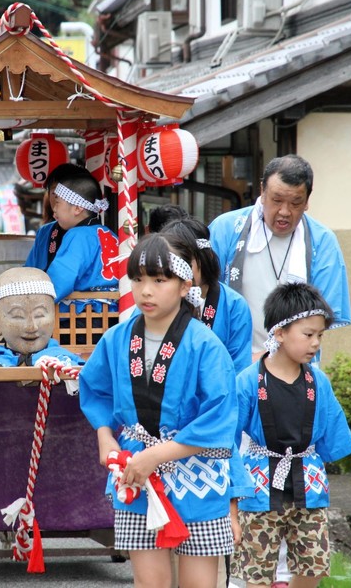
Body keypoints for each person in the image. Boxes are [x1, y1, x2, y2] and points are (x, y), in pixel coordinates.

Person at [79, 233, 238, 588]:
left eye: (159, 280)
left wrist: (157, 455)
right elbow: (96, 390)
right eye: (137, 279)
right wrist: (105, 437)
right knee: (150, 583)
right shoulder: (117, 338)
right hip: (135, 472)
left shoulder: (205, 345)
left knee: (199, 584)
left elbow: (219, 416)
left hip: (197, 473)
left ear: (185, 286)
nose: (145, 290)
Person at [233, 283, 351, 588]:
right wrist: (232, 500)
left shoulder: (319, 381)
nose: (315, 343)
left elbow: (331, 434)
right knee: (256, 569)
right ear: (279, 333)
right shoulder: (248, 381)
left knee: (313, 565)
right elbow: (228, 439)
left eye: (320, 335)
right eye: (308, 334)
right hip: (259, 488)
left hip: (309, 486)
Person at [208, 155, 351, 361]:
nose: (284, 211)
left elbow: (319, 319)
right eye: (276, 200)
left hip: (294, 368)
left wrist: (274, 360)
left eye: (295, 203)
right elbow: (204, 295)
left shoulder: (322, 242)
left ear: (307, 202)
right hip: (233, 363)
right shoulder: (226, 229)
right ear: (262, 192)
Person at [162, 218, 252, 373]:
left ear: (206, 256)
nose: (177, 272)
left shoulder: (234, 305)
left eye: (184, 263)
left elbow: (239, 370)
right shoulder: (155, 300)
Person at [24, 164, 120, 309]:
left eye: (58, 203)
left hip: (83, 316)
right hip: (112, 312)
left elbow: (61, 280)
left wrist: (33, 303)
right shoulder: (108, 233)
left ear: (77, 208)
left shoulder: (77, 235)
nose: (54, 209)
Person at [0, 267, 85, 368]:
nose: (31, 327)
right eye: (18, 316)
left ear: (54, 314)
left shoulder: (65, 363)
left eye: (39, 315)